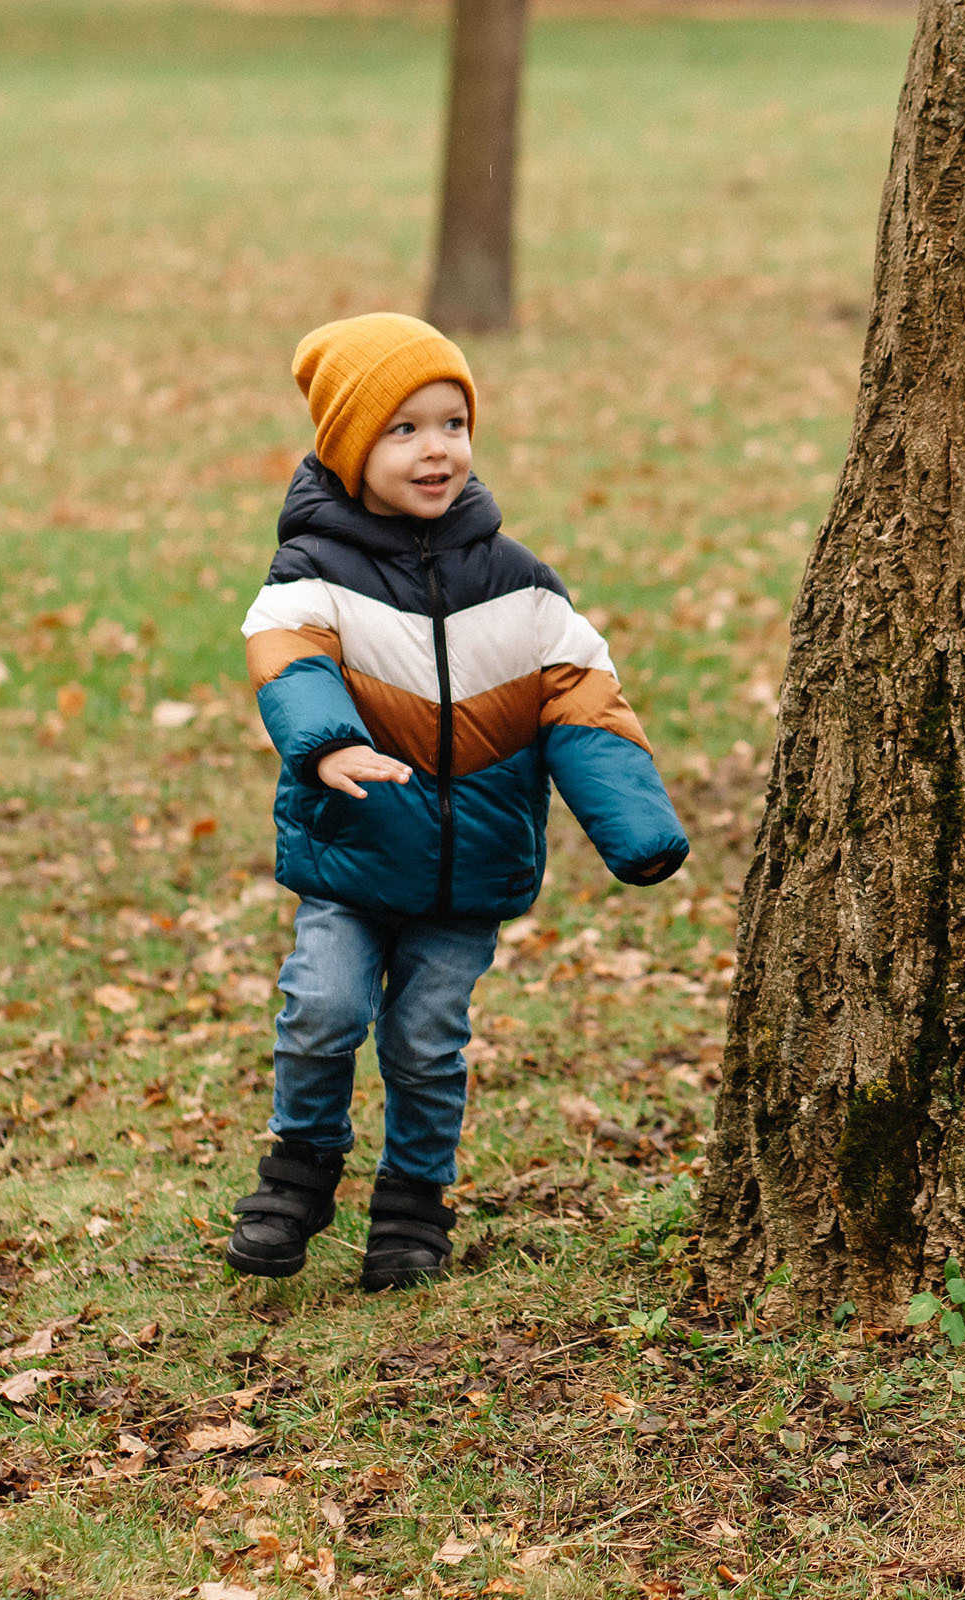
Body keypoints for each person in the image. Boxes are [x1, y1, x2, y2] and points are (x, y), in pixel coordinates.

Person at [228, 312, 687, 1292]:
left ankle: (413, 1203)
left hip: (467, 873)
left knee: (426, 1039)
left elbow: (582, 693)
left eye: (452, 422)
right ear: (351, 448)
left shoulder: (519, 586)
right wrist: (329, 741)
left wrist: (634, 824)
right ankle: (299, 1170)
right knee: (322, 1007)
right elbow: (287, 654)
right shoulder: (315, 572)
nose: (435, 447)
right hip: (353, 854)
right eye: (402, 429)